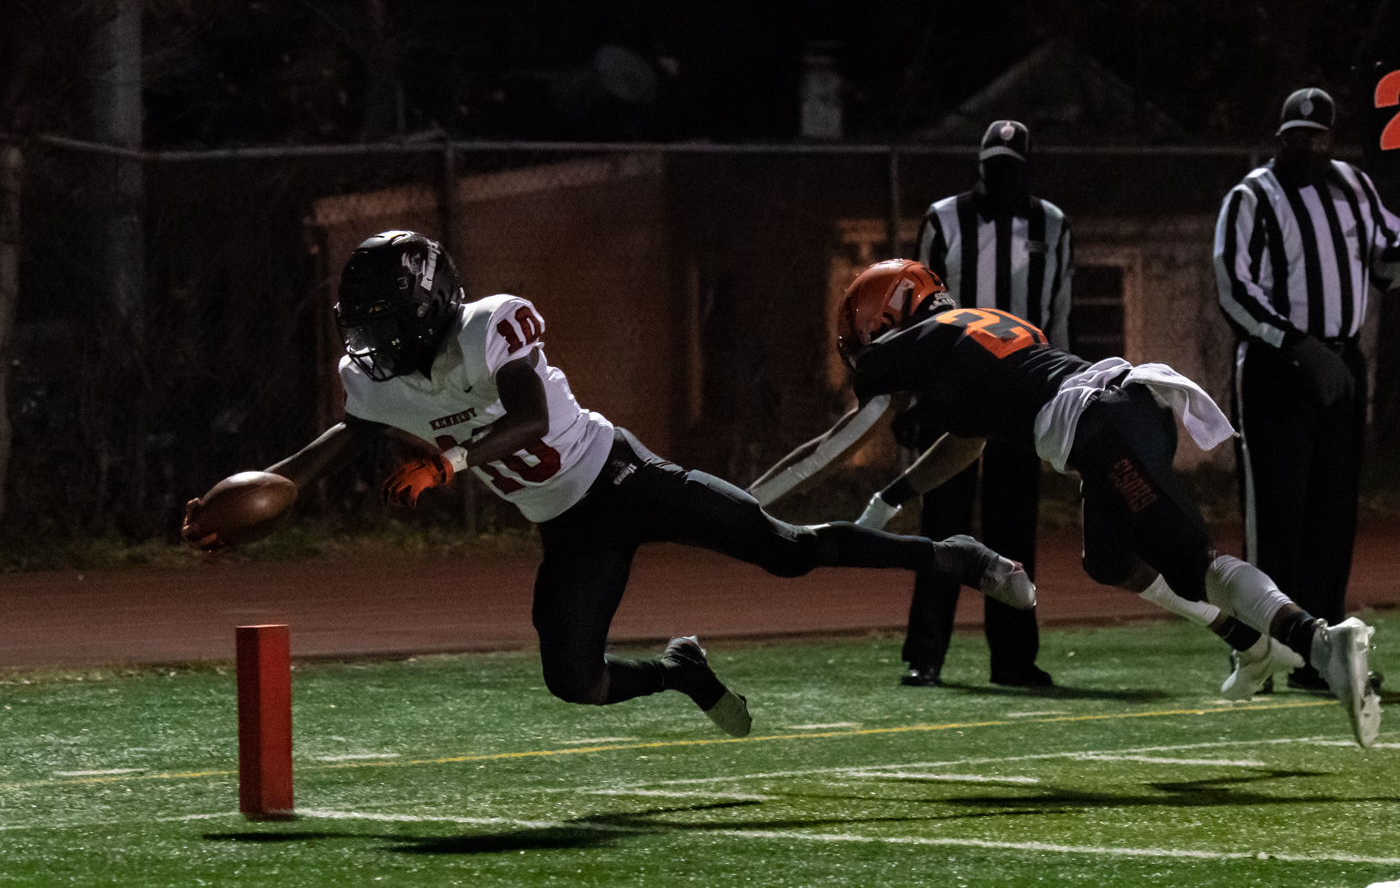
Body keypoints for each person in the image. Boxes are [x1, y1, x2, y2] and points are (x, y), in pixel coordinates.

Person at [182, 230, 1032, 739]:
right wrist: (268, 493)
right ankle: (683, 673)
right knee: (571, 678)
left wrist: (449, 460)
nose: (370, 341)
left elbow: (529, 420)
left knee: (788, 553)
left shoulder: (488, 328)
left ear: (425, 309)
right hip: (570, 526)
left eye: (381, 322)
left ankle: (951, 553)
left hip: (622, 476)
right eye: (360, 326)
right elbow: (344, 435)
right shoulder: (377, 377)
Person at [750, 259, 1380, 748]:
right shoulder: (973, 329)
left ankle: (1321, 640)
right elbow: (966, 443)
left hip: (1104, 428)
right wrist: (890, 498)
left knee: (1198, 562)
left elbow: (840, 438)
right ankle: (1249, 641)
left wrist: (744, 502)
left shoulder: (926, 339)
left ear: (882, 320)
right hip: (1115, 414)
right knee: (1108, 559)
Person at [1214, 87, 1400, 692]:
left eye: (1319, 137)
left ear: (1331, 138)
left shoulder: (1354, 185)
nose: (1309, 147)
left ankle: (1319, 656)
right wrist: (1297, 344)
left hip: (1342, 361)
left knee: (1331, 513)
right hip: (1279, 363)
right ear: (1281, 138)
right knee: (1276, 514)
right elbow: (1233, 286)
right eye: (1297, 137)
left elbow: (1385, 257)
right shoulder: (1251, 196)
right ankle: (1263, 651)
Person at [890, 119, 1072, 689]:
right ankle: (926, 653)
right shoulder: (944, 219)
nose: (1002, 177)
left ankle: (1014, 658)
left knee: (1013, 526)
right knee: (942, 524)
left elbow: (1059, 314)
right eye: (993, 168)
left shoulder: (1054, 224)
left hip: (1024, 388)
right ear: (979, 166)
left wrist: (1062, 391)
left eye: (1011, 168)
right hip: (954, 390)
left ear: (1027, 168)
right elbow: (918, 311)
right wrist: (915, 393)